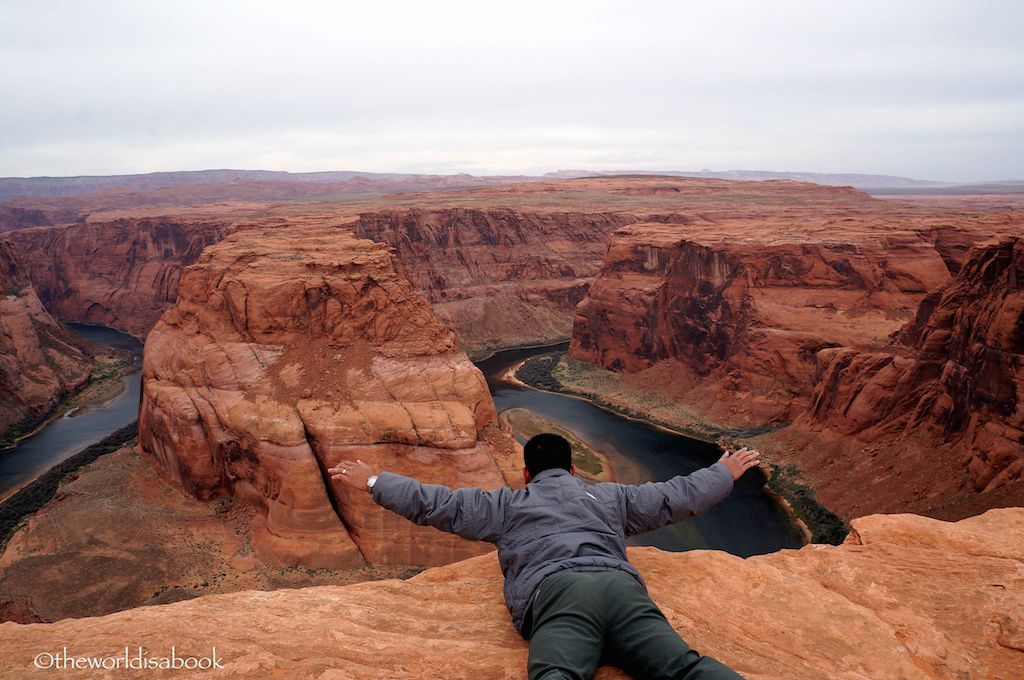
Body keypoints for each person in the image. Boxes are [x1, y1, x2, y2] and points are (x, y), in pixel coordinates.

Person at [328, 433, 760, 680]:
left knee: (558, 676)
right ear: (573, 470)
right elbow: (675, 496)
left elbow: (436, 503)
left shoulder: (507, 505)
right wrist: (723, 472)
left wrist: (373, 481)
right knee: (685, 670)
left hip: (560, 596)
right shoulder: (612, 497)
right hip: (621, 589)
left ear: (526, 475)